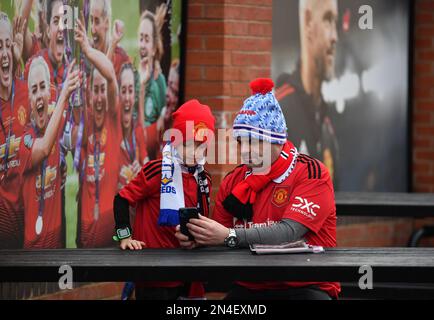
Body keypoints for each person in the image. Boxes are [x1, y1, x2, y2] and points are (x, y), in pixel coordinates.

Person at [176, 78, 340, 300]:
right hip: (250, 288)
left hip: (306, 286)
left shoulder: (311, 171)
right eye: (241, 142)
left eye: (255, 141)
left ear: (278, 141)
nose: (245, 151)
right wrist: (199, 239)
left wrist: (229, 236)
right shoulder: (233, 181)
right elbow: (220, 240)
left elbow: (289, 233)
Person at [113, 99, 214, 300]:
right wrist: (125, 237)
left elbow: (202, 223)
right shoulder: (157, 170)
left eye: (200, 146)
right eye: (187, 144)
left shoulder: (204, 179)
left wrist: (197, 240)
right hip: (154, 276)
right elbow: (121, 199)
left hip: (188, 275)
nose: (194, 152)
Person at [18, 57, 80, 248]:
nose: (39, 95)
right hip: (33, 254)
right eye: (34, 89)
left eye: (42, 87)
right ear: (29, 99)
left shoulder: (55, 123)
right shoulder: (23, 139)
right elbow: (44, 147)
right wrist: (63, 97)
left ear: (49, 92)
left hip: (58, 248)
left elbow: (77, 130)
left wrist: (61, 161)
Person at [275, 0, 339, 183]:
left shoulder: (327, 127)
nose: (335, 37)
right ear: (308, 22)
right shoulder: (278, 111)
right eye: (327, 20)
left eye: (335, 22)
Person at [74, 18, 121, 248]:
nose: (100, 96)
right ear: (90, 95)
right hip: (83, 238)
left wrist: (87, 50)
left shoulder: (113, 120)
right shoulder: (87, 121)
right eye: (96, 90)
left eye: (103, 90)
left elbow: (110, 75)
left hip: (108, 241)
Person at [0, 12, 30, 248]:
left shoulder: (25, 93)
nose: (4, 52)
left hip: (28, 237)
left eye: (7, 45)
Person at [137, 5, 167, 160]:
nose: (142, 45)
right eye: (140, 38)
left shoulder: (159, 82)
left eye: (146, 39)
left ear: (154, 48)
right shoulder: (133, 78)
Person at [117, 62, 149, 191]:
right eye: (123, 90)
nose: (127, 97)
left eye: (130, 91)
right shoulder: (111, 129)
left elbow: (147, 164)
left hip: (132, 207)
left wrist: (142, 172)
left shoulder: (138, 131)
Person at [89, 0, 130, 77]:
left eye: (97, 22)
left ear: (107, 22)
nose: (92, 29)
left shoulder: (121, 58)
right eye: (91, 21)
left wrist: (113, 44)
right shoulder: (87, 56)